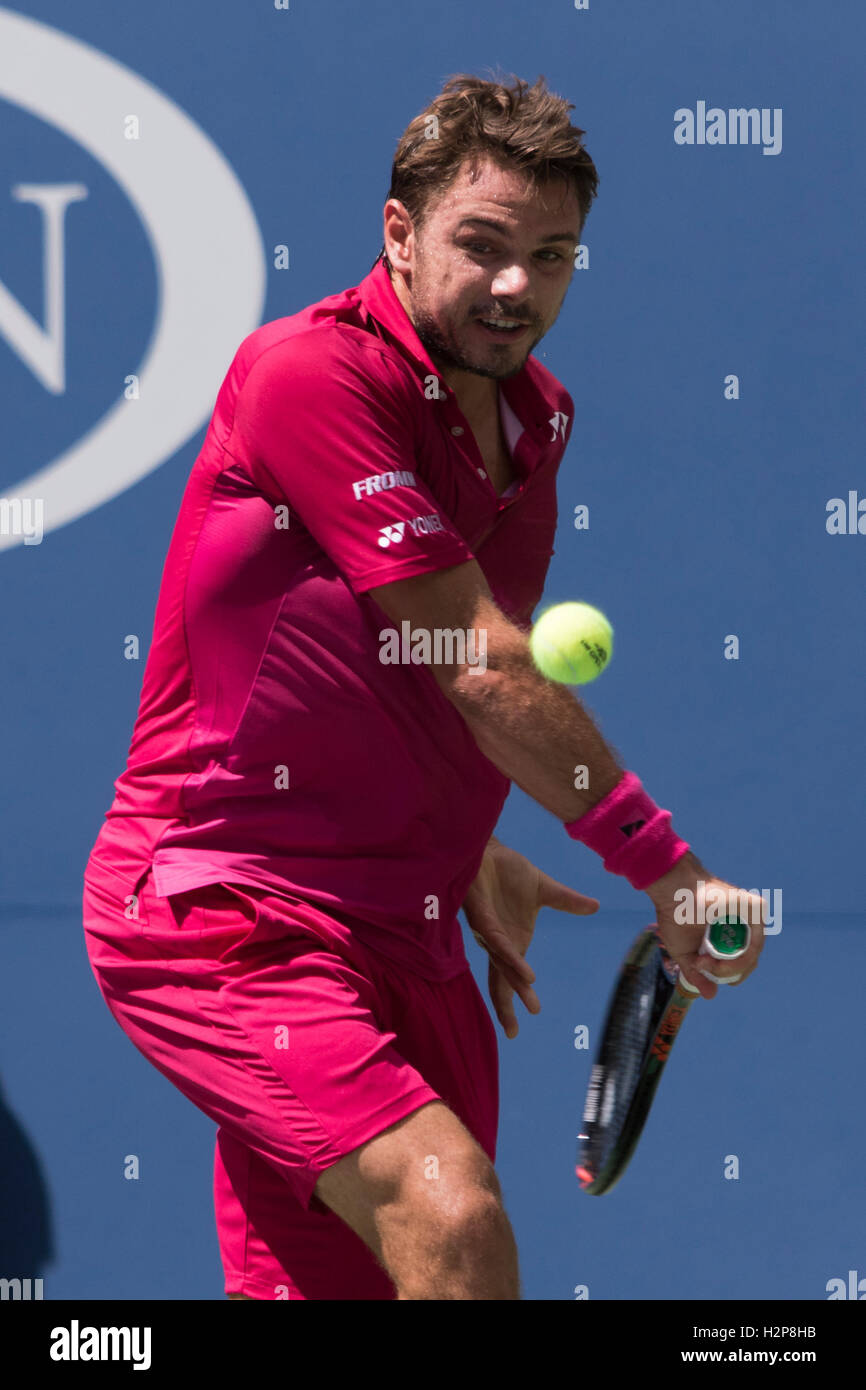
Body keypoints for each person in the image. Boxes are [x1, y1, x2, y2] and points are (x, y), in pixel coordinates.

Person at [82, 72, 764, 1302]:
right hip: (221, 908)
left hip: (408, 928)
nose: (518, 285)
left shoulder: (537, 422)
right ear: (397, 234)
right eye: (482, 245)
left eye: (551, 256)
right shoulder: (307, 375)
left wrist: (460, 846)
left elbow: (393, 673)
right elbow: (478, 658)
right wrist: (663, 867)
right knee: (448, 1216)